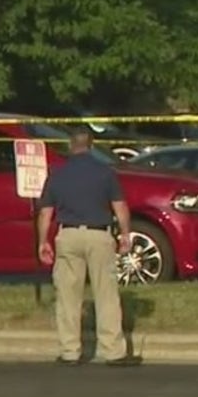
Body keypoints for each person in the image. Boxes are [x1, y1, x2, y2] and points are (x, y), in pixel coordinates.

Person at [36, 129, 142, 366]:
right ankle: (113, 352)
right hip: (99, 235)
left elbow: (45, 212)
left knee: (67, 296)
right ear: (91, 146)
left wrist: (43, 241)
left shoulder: (58, 174)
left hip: (68, 234)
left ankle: (70, 351)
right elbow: (120, 206)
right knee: (106, 294)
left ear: (70, 146)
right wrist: (125, 234)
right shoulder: (105, 173)